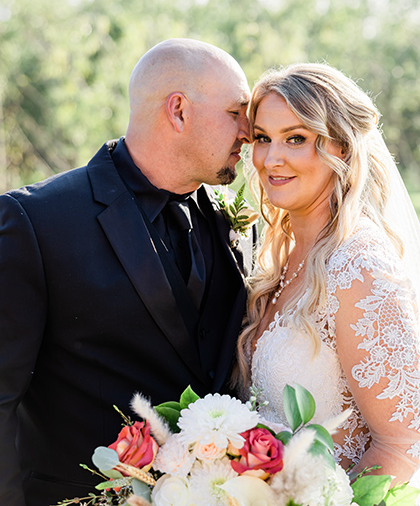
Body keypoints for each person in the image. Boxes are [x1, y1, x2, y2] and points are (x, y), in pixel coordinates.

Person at [0, 38, 254, 506]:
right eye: (237, 112)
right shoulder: (35, 222)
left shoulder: (228, 221)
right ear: (178, 111)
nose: (249, 131)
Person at [235, 62, 420, 505]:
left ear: (341, 149)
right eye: (263, 138)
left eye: (296, 138)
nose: (271, 158)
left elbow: (401, 443)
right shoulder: (280, 258)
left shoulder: (360, 267)